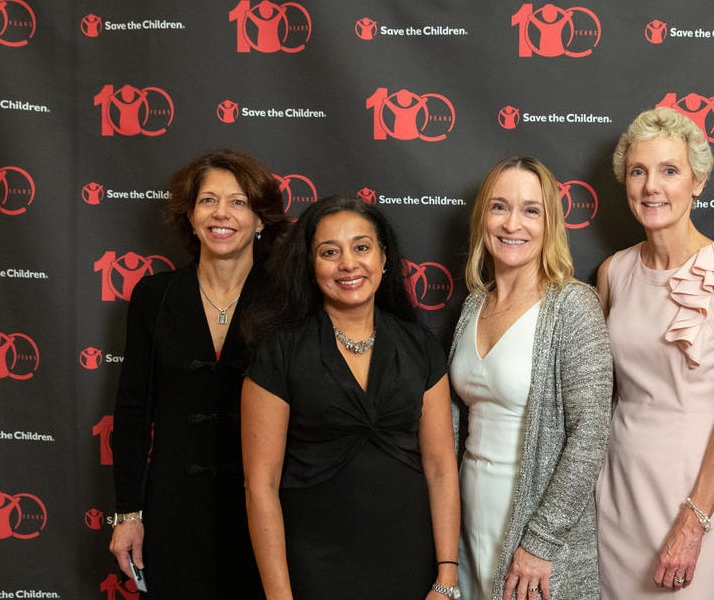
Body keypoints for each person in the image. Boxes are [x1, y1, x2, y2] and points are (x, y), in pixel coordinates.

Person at [595, 107, 714, 599]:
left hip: (698, 494)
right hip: (618, 490)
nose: (652, 186)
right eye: (639, 171)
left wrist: (693, 521)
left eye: (669, 170)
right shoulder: (613, 272)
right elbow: (603, 396)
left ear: (698, 181)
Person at [240, 196, 460, 600]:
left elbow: (442, 467)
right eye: (329, 252)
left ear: (384, 257)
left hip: (410, 561)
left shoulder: (419, 345)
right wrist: (279, 595)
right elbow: (260, 485)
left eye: (362, 247)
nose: (348, 264)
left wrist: (446, 576)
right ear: (309, 264)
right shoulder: (280, 351)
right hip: (313, 566)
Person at [109, 149, 289, 598]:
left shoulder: (287, 301)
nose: (221, 213)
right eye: (208, 201)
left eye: (238, 202)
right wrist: (128, 514)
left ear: (261, 220)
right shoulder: (155, 296)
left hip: (265, 510)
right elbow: (133, 411)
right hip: (173, 509)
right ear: (190, 217)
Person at [450, 156, 613, 599]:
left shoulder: (573, 306)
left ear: (550, 224)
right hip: (466, 520)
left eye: (530, 210)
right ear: (483, 216)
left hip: (534, 529)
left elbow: (591, 433)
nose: (512, 223)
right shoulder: (472, 307)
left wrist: (541, 541)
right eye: (499, 207)